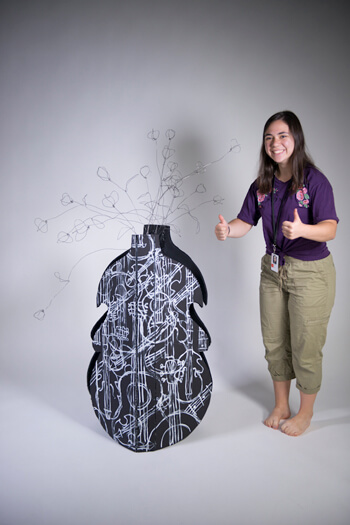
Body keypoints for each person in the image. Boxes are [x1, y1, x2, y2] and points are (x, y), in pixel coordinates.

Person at [215, 111, 338, 436]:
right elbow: (246, 221)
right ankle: (281, 405)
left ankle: (305, 413)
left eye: (282, 135)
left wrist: (303, 230)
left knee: (305, 345)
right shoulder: (262, 185)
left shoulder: (314, 181)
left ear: (295, 139)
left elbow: (330, 229)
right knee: (274, 341)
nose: (275, 143)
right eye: (269, 137)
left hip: (310, 273)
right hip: (272, 270)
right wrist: (229, 229)